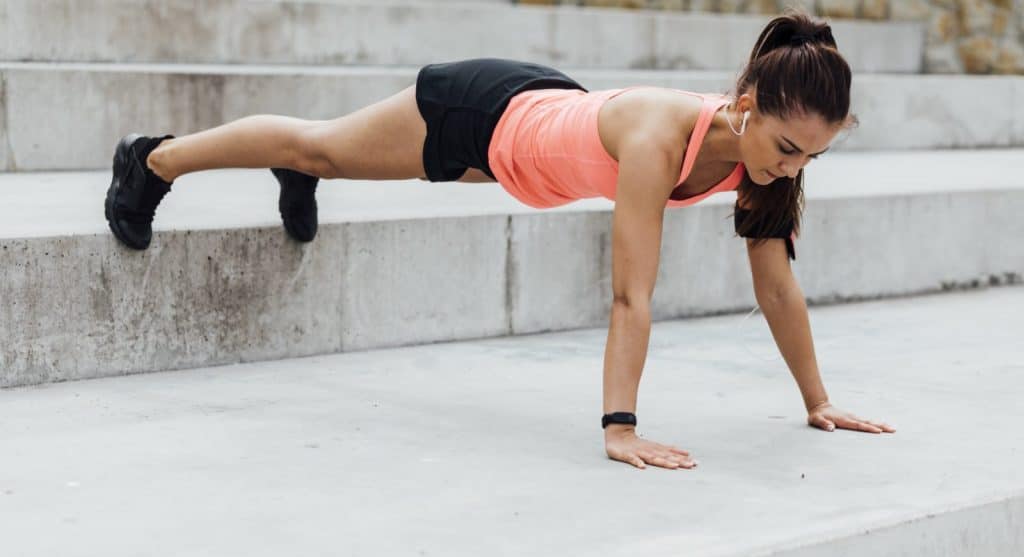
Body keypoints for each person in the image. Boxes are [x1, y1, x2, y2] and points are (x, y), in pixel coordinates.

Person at [103, 10, 895, 471]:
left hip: (539, 142)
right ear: (747, 104)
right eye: (789, 148)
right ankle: (153, 159)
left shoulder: (766, 164)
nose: (794, 168)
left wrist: (817, 401)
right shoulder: (662, 137)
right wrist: (619, 428)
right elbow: (629, 292)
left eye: (813, 156)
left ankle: (299, 172)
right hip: (484, 116)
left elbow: (777, 285)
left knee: (335, 154)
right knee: (318, 144)